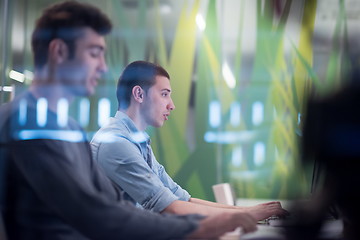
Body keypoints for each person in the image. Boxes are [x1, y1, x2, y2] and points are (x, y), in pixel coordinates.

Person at [0, 1, 259, 239]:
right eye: (94, 53)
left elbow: (114, 206)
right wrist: (197, 227)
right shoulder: (27, 123)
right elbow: (97, 215)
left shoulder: (70, 129)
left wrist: (222, 219)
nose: (102, 66)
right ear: (58, 51)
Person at [90, 60, 288, 220]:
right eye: (164, 94)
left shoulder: (137, 142)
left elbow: (181, 197)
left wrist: (247, 212)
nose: (172, 105)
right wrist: (247, 215)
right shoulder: (116, 142)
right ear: (139, 94)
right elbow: (170, 207)